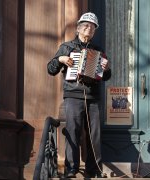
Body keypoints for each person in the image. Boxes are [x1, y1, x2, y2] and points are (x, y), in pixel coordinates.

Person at [47, 12, 111, 178]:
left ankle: (94, 168)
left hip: (93, 97)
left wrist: (106, 68)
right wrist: (61, 59)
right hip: (73, 95)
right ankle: (71, 169)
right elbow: (51, 69)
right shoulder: (67, 47)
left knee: (94, 134)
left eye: (93, 27)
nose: (89, 29)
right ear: (78, 28)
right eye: (86, 25)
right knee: (73, 131)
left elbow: (106, 76)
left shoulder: (98, 50)